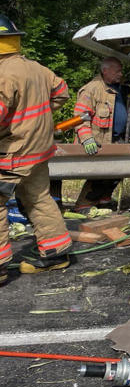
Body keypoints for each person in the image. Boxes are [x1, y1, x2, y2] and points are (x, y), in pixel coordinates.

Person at [0, 15, 73, 282]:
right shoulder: (36, 67)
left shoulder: (2, 74)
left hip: (12, 153)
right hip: (39, 151)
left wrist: (19, 122)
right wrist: (37, 119)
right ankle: (56, 253)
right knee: (39, 199)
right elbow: (62, 91)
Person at [73, 56, 130, 212]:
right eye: (117, 71)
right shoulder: (92, 89)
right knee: (100, 174)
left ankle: (104, 200)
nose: (121, 74)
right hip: (98, 141)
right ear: (105, 70)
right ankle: (84, 205)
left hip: (116, 140)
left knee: (119, 171)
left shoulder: (117, 88)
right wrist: (86, 139)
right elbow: (80, 117)